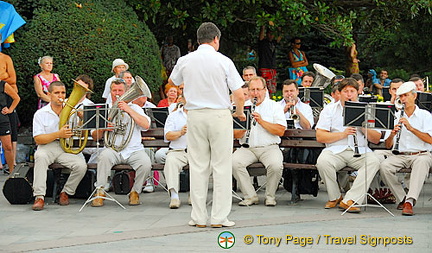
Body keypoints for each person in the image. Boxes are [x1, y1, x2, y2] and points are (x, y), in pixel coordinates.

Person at [169, 22, 245, 228]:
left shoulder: (185, 60)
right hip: (219, 115)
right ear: (216, 39)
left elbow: (173, 82)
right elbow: (239, 93)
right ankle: (219, 218)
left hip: (194, 115)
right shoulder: (224, 61)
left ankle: (198, 217)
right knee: (221, 166)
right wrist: (238, 112)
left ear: (198, 39)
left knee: (198, 166)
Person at [315, 78, 381, 213]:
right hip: (335, 150)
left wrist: (363, 127)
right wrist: (343, 134)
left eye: (352, 91)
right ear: (339, 93)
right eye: (346, 91)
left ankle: (350, 200)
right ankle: (335, 197)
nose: (349, 94)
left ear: (358, 92)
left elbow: (376, 139)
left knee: (374, 162)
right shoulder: (329, 110)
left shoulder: (367, 110)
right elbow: (320, 136)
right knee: (322, 162)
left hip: (360, 151)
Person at [91, 79, 152, 207]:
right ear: (110, 92)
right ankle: (100, 191)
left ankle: (135, 191)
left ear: (126, 92)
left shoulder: (135, 108)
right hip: (113, 149)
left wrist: (128, 109)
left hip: (133, 150)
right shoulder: (105, 109)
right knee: (103, 157)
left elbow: (146, 125)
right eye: (114, 90)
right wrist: (103, 128)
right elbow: (95, 137)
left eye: (120, 91)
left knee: (146, 164)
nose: (117, 93)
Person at [31, 81, 87, 211]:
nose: (60, 96)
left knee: (81, 165)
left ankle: (66, 192)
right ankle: (39, 196)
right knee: (40, 156)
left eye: (62, 93)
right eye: (56, 93)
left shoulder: (71, 111)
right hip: (48, 146)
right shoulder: (40, 114)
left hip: (65, 148)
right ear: (49, 94)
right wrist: (59, 134)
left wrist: (81, 118)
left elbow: (81, 129)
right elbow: (38, 139)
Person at [379, 81, 432, 216]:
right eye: (401, 97)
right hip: (400, 154)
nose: (403, 99)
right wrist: (391, 135)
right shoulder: (396, 116)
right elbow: (388, 145)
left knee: (422, 162)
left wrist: (411, 128)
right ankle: (402, 197)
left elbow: (430, 140)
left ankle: (409, 201)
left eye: (406, 96)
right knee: (385, 166)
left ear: (414, 96)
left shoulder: (425, 115)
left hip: (421, 154)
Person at [232, 77, 286, 206]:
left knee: (276, 165)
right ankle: (250, 196)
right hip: (247, 148)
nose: (256, 93)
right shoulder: (242, 107)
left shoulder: (274, 106)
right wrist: (245, 125)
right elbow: (235, 134)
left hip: (269, 147)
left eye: (258, 89)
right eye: (253, 90)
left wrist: (261, 121)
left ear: (265, 90)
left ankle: (270, 196)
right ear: (249, 91)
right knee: (233, 162)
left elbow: (280, 131)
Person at [163, 99, 188, 209]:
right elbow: (168, 136)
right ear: (183, 99)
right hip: (178, 150)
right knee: (170, 161)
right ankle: (174, 196)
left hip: (197, 151)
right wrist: (181, 133)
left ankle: (195, 195)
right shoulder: (173, 115)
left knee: (205, 162)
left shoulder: (202, 115)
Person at [0, 79, 19, 173]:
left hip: (2, 119)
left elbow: (16, 98)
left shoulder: (3, 84)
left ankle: (11, 172)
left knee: (8, 146)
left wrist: (10, 109)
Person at [258, 26, 281, 95]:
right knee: (264, 84)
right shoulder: (263, 42)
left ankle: (271, 97)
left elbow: (279, 38)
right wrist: (263, 27)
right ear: (266, 34)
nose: (271, 36)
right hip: (264, 66)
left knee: (272, 85)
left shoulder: (273, 43)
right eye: (269, 34)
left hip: (272, 66)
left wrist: (279, 30)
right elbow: (261, 37)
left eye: (272, 34)